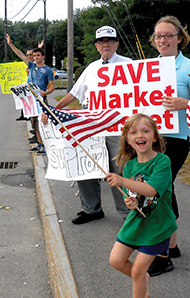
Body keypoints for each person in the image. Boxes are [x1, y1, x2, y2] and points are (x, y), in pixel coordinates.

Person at [46, 25, 132, 224]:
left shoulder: (128, 65)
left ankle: (127, 212)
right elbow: (74, 94)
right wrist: (54, 109)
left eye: (110, 40)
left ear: (117, 43)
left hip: (116, 127)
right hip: (91, 127)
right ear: (96, 45)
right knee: (85, 167)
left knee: (118, 169)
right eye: (102, 41)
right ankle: (91, 209)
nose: (106, 44)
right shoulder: (91, 68)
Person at [146, 15, 190, 276]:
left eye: (168, 35)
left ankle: (163, 255)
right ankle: (172, 244)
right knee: (164, 189)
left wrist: (186, 104)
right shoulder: (148, 67)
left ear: (180, 38)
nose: (163, 40)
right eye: (159, 36)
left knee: (159, 189)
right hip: (151, 139)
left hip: (178, 139)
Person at [105, 113, 177, 298]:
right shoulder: (129, 166)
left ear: (154, 136)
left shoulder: (162, 162)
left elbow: (151, 190)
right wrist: (131, 202)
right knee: (116, 260)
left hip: (158, 225)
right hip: (137, 221)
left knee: (137, 269)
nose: (140, 135)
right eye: (134, 132)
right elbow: (136, 196)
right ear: (127, 140)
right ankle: (143, 279)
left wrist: (121, 181)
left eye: (146, 130)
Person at [6, 34, 55, 154]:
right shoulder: (31, 66)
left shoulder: (48, 70)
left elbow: (52, 86)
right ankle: (39, 144)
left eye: (38, 55)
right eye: (34, 56)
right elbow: (21, 55)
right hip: (31, 101)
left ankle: (46, 145)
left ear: (43, 56)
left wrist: (45, 92)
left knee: (43, 123)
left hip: (41, 99)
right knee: (34, 124)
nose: (36, 57)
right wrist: (10, 44)